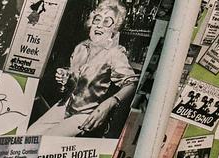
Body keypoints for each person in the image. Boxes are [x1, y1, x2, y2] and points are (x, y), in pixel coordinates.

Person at [28, 0, 137, 136]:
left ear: (114, 29)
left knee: (46, 141)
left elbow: (131, 84)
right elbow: (75, 78)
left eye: (107, 22)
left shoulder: (115, 53)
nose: (100, 26)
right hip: (66, 105)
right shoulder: (80, 47)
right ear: (91, 23)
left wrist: (109, 104)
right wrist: (66, 75)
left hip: (88, 113)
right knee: (29, 134)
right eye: (97, 20)